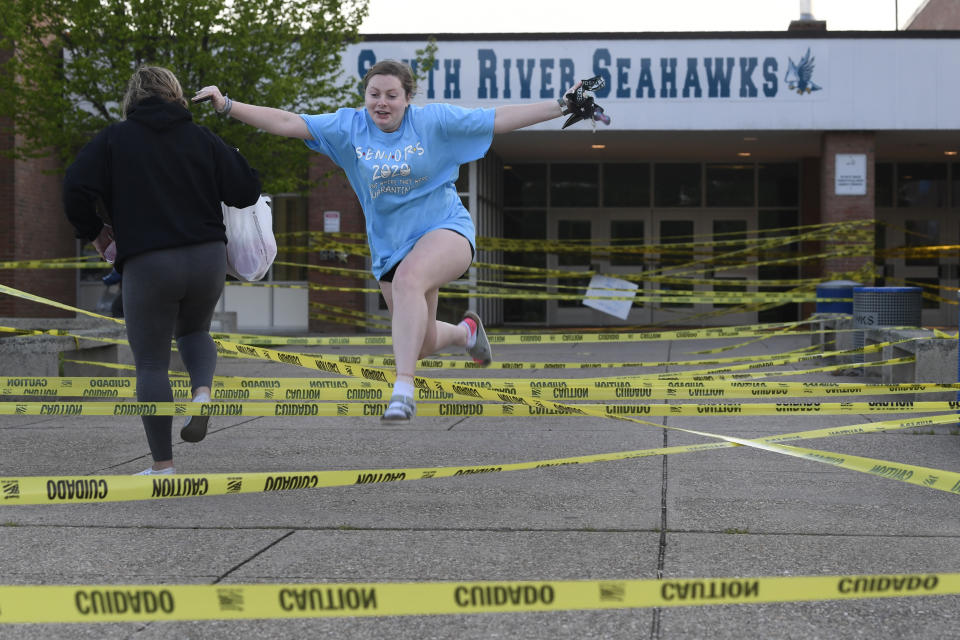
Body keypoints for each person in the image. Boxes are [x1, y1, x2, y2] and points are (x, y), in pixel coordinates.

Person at [194, 59, 578, 421]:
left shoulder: (434, 122)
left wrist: (561, 105)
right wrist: (228, 105)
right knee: (422, 340)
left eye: (392, 95)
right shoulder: (348, 128)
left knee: (411, 280)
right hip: (391, 246)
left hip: (446, 230)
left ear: (408, 99)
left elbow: (499, 119)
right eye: (374, 93)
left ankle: (403, 390)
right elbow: (286, 121)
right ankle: (466, 333)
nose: (382, 102)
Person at [63, 65, 262, 475]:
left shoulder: (114, 140)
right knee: (195, 331)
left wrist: (96, 233)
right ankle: (202, 393)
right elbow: (246, 190)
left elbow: (73, 188)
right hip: (207, 258)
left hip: (150, 263)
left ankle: (163, 466)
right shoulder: (202, 138)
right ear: (175, 94)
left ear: (133, 98)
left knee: (151, 362)